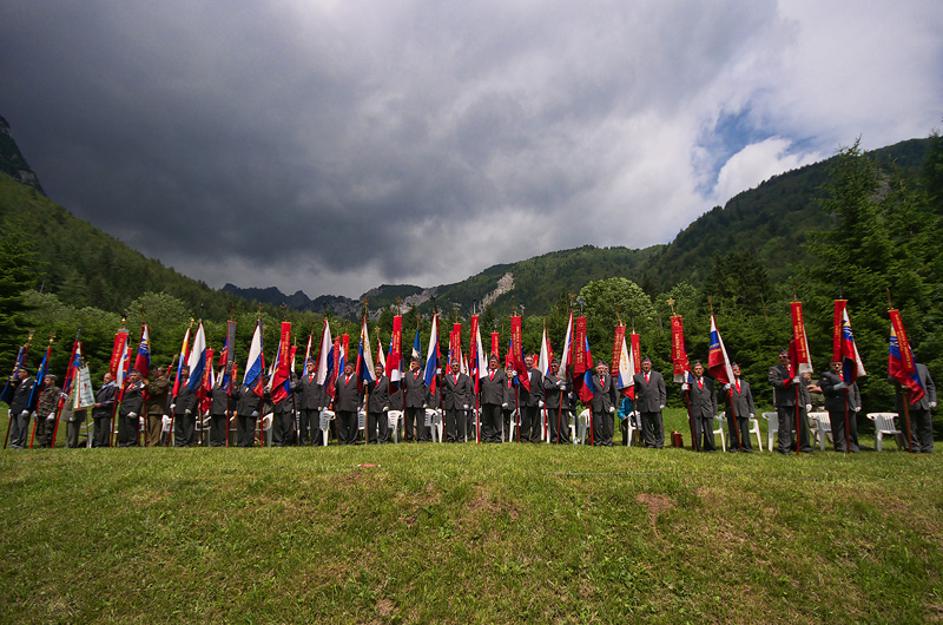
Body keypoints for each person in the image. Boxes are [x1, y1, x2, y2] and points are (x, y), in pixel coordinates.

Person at [768, 350, 812, 453]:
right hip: (785, 401)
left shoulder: (798, 370)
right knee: (785, 426)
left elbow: (804, 387)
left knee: (803, 425)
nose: (782, 359)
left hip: (799, 400)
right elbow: (774, 383)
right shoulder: (775, 369)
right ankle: (785, 447)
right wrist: (790, 381)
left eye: (784, 357)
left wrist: (808, 401)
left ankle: (803, 446)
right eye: (780, 357)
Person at [891, 362, 937, 453]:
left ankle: (927, 447)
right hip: (907, 402)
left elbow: (930, 385)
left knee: (926, 426)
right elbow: (891, 380)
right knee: (909, 427)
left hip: (923, 402)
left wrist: (932, 399)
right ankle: (913, 447)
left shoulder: (922, 367)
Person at [820, 361, 862, 452]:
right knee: (838, 428)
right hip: (836, 405)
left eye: (839, 364)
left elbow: (856, 390)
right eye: (834, 364)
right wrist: (837, 387)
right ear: (830, 365)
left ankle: (853, 446)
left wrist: (858, 403)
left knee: (852, 428)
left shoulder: (849, 375)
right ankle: (840, 446)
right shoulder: (827, 375)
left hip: (850, 405)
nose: (837, 366)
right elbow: (826, 390)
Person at [633, 357, 667, 448]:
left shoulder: (658, 375)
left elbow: (662, 391)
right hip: (643, 404)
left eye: (647, 364)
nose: (646, 366)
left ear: (651, 365)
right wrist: (636, 398)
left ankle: (659, 443)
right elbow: (635, 390)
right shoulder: (636, 377)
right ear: (641, 366)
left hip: (655, 404)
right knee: (646, 426)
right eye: (644, 364)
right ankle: (650, 443)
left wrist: (662, 402)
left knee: (658, 425)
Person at [683, 361, 716, 451]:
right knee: (696, 430)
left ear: (703, 370)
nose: (698, 371)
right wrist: (683, 390)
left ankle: (710, 447)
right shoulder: (690, 382)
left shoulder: (709, 382)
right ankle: (697, 447)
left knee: (708, 430)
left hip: (707, 408)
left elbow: (713, 397)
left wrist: (714, 410)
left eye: (700, 369)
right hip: (695, 409)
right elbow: (685, 398)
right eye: (696, 369)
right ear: (693, 371)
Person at [725, 363, 755, 452]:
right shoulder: (728, 384)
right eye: (735, 370)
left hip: (744, 410)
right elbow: (721, 397)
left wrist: (752, 411)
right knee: (734, 430)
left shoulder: (745, 384)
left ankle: (746, 446)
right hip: (733, 411)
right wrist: (724, 389)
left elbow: (749, 398)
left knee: (745, 430)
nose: (737, 371)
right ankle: (734, 446)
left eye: (738, 369)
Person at [479, 355, 507, 443]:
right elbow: (479, 387)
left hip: (497, 400)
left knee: (496, 420)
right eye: (491, 362)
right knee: (486, 420)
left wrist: (505, 401)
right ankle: (487, 437)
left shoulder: (502, 373)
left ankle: (497, 437)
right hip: (485, 400)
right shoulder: (484, 372)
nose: (493, 363)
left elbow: (505, 388)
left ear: (497, 363)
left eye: (494, 362)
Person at [588, 361, 618, 446]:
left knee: (608, 424)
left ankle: (608, 441)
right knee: (597, 424)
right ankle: (598, 441)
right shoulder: (592, 378)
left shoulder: (610, 378)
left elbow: (614, 393)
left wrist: (613, 405)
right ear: (596, 369)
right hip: (596, 404)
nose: (601, 370)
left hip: (607, 405)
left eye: (603, 368)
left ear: (606, 369)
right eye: (599, 368)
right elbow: (589, 392)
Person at [442, 360, 470, 442]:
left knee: (460, 422)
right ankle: (451, 437)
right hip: (450, 402)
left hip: (460, 402)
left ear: (459, 367)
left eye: (456, 366)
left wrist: (466, 402)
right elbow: (442, 387)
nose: (455, 367)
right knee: (450, 421)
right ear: (451, 367)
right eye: (453, 366)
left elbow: (468, 391)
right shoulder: (447, 377)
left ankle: (460, 438)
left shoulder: (465, 377)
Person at [334, 361, 361, 445]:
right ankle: (343, 441)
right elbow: (336, 392)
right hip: (341, 405)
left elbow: (360, 393)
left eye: (349, 368)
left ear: (353, 369)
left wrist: (359, 404)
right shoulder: (339, 378)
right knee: (341, 425)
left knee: (353, 425)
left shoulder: (358, 378)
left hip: (353, 405)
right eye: (346, 368)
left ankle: (352, 441)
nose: (347, 369)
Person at [543, 359, 569, 443]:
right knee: (553, 423)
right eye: (552, 366)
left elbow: (571, 386)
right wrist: (556, 385)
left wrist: (566, 388)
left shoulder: (565, 376)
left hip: (563, 403)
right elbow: (546, 386)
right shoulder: (548, 377)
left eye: (555, 366)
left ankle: (564, 439)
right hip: (552, 403)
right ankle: (555, 439)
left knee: (564, 423)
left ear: (559, 367)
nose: (553, 367)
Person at [298, 359, 323, 445]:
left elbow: (322, 391)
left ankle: (315, 442)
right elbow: (299, 389)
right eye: (307, 366)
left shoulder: (319, 378)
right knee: (303, 425)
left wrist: (321, 404)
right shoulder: (303, 378)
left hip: (315, 405)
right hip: (304, 404)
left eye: (310, 365)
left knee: (314, 425)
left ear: (314, 366)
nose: (309, 367)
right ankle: (303, 442)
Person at [519, 355, 544, 442]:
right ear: (524, 362)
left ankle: (536, 439)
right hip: (524, 400)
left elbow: (541, 387)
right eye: (527, 360)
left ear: (533, 362)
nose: (528, 362)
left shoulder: (538, 373)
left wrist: (542, 399)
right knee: (525, 421)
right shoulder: (520, 372)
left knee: (536, 421)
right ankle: (524, 438)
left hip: (535, 400)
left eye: (530, 361)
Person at [7, 368, 34, 449]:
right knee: (14, 427)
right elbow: (16, 396)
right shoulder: (20, 383)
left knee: (22, 427)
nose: (18, 374)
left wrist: (27, 409)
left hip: (23, 409)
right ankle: (13, 442)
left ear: (26, 373)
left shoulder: (31, 383)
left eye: (20, 372)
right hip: (16, 408)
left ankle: (21, 444)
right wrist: (11, 408)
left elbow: (30, 397)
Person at [144, 366, 170, 446]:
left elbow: (155, 391)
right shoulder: (156, 381)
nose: (154, 373)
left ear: (161, 372)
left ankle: (154, 442)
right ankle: (149, 442)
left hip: (157, 407)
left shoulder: (164, 381)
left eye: (156, 371)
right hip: (150, 407)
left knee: (155, 426)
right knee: (149, 426)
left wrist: (148, 384)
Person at [118, 370, 145, 447]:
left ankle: (132, 443)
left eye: (134, 375)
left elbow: (139, 399)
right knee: (122, 428)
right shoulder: (128, 386)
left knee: (131, 427)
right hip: (123, 409)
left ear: (138, 377)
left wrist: (135, 411)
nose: (132, 377)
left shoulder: (140, 386)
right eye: (131, 375)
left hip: (131, 409)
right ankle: (123, 443)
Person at [402, 357, 427, 442]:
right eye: (411, 362)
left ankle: (421, 438)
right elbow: (403, 386)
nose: (412, 364)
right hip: (409, 401)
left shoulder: (424, 374)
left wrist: (424, 399)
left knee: (420, 421)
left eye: (414, 362)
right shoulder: (407, 374)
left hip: (420, 400)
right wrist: (402, 377)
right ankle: (409, 437)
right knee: (409, 421)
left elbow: (427, 388)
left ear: (419, 364)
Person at [172, 366, 197, 447]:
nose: (182, 371)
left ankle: (188, 442)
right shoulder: (179, 382)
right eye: (182, 369)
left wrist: (190, 407)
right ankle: (179, 442)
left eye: (184, 370)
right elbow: (176, 393)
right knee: (178, 426)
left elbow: (193, 396)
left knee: (187, 426)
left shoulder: (192, 382)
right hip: (179, 406)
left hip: (187, 407)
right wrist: (173, 403)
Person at [35, 374, 62, 448]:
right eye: (45, 380)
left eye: (47, 380)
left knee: (48, 430)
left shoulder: (56, 390)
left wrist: (53, 412)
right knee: (40, 429)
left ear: (52, 381)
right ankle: (42, 444)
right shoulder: (43, 389)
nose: (45, 381)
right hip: (40, 412)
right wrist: (36, 411)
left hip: (48, 412)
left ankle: (48, 444)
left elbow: (56, 402)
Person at [366, 364, 390, 443]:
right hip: (372, 405)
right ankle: (372, 439)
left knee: (383, 425)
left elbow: (388, 393)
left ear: (382, 371)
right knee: (371, 425)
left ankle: (383, 439)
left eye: (379, 369)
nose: (378, 371)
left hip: (382, 405)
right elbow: (365, 392)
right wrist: (365, 385)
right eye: (376, 369)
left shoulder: (386, 380)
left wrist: (387, 404)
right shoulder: (371, 379)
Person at [91, 372, 117, 448]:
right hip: (97, 412)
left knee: (104, 430)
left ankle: (104, 444)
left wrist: (101, 404)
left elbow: (113, 400)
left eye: (107, 378)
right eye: (104, 378)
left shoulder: (113, 388)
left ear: (112, 378)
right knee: (97, 429)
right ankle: (97, 444)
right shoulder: (102, 387)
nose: (105, 379)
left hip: (105, 412)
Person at [209, 375, 233, 446]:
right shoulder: (215, 385)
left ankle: (222, 442)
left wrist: (228, 408)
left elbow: (231, 397)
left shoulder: (228, 385)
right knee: (214, 427)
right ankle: (214, 442)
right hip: (214, 409)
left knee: (222, 428)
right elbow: (210, 394)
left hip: (223, 409)